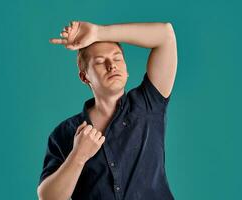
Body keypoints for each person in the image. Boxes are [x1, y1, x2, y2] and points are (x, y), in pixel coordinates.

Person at [37, 20, 177, 200]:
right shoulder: (65, 133)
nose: (112, 65)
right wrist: (78, 156)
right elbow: (48, 197)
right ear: (84, 76)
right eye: (100, 62)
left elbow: (165, 35)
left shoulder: (148, 104)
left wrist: (98, 33)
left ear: (126, 70)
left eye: (117, 58)